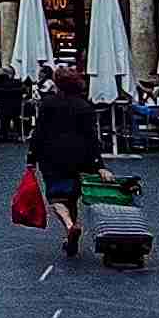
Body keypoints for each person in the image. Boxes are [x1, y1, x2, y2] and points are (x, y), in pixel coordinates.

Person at [28, 69, 103, 258]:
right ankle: (69, 237)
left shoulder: (48, 104)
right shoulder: (85, 106)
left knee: (56, 196)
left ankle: (70, 226)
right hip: (80, 157)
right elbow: (92, 137)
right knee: (71, 196)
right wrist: (99, 163)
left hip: (52, 155)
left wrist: (31, 157)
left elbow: (39, 132)